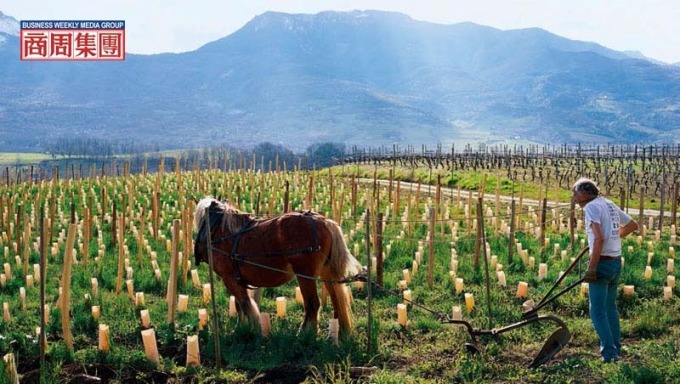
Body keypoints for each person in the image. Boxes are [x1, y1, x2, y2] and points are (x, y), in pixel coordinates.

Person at [572, 177, 638, 363]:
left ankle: (609, 354)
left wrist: (592, 267)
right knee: (610, 307)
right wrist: (613, 238)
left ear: (585, 193)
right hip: (616, 262)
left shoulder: (591, 207)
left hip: (602, 263)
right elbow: (633, 225)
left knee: (597, 310)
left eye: (575, 194)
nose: (575, 199)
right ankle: (616, 346)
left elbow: (599, 238)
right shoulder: (608, 203)